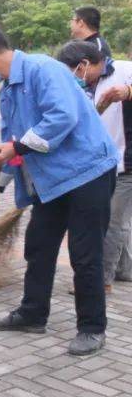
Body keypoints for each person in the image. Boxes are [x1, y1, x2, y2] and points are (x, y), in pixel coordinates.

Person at [0, 27, 118, 356]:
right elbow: (12, 149)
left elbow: (61, 117)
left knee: (85, 253)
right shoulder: (8, 92)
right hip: (55, 181)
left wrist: (16, 146)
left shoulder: (42, 69)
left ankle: (92, 328)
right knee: (38, 244)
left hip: (87, 171)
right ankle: (33, 313)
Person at [56, 40, 132, 289]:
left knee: (111, 222)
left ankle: (101, 282)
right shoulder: (85, 85)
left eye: (75, 72)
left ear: (85, 64)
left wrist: (128, 92)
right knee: (113, 220)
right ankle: (124, 269)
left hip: (125, 162)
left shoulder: (123, 69)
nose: (74, 78)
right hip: (98, 163)